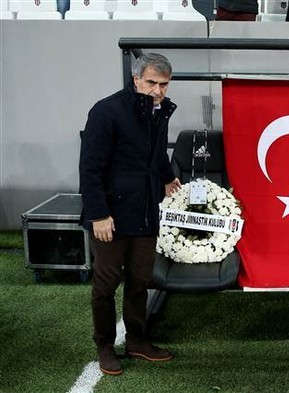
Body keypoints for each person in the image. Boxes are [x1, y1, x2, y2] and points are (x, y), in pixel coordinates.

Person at [79, 53, 182, 376]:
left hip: (146, 213)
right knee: (105, 285)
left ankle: (137, 340)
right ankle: (105, 346)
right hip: (110, 216)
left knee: (140, 281)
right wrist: (98, 214)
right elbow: (90, 168)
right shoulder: (106, 111)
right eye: (151, 82)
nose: (158, 91)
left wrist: (167, 177)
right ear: (135, 79)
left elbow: (154, 151)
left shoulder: (157, 112)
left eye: (164, 84)